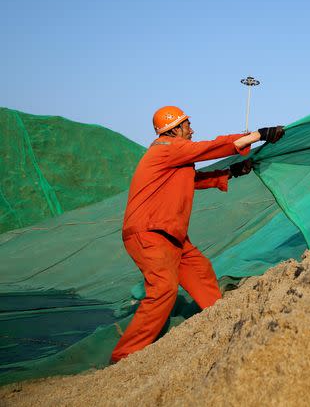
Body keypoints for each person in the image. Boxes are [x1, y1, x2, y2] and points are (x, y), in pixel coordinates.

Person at [110, 105, 285, 363]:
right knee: (163, 290)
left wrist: (230, 172)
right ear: (175, 128)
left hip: (170, 235)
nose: (192, 130)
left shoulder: (172, 157)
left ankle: (221, 318)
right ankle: (124, 356)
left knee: (199, 270)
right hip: (149, 233)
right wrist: (257, 135)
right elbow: (209, 148)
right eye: (188, 125)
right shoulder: (166, 148)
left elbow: (192, 179)